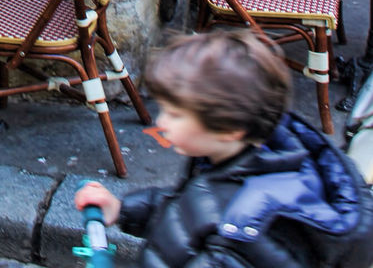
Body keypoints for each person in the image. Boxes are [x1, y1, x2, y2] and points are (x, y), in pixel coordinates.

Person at [75, 29, 373, 268]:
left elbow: (210, 217)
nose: (161, 123)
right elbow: (191, 210)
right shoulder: (238, 157)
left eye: (176, 114)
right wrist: (124, 210)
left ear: (230, 129)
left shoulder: (245, 228)